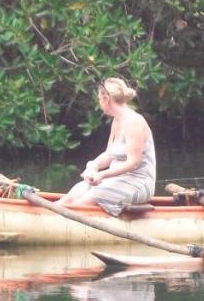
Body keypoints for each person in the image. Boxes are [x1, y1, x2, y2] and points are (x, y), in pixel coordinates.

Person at [59, 77, 156, 216]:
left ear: (107, 99)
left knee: (88, 198)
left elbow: (133, 163)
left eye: (99, 98)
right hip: (117, 181)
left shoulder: (134, 122)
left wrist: (102, 174)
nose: (99, 102)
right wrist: (92, 167)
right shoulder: (117, 121)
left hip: (139, 183)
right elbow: (109, 155)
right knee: (77, 190)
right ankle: (45, 214)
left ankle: (63, 220)